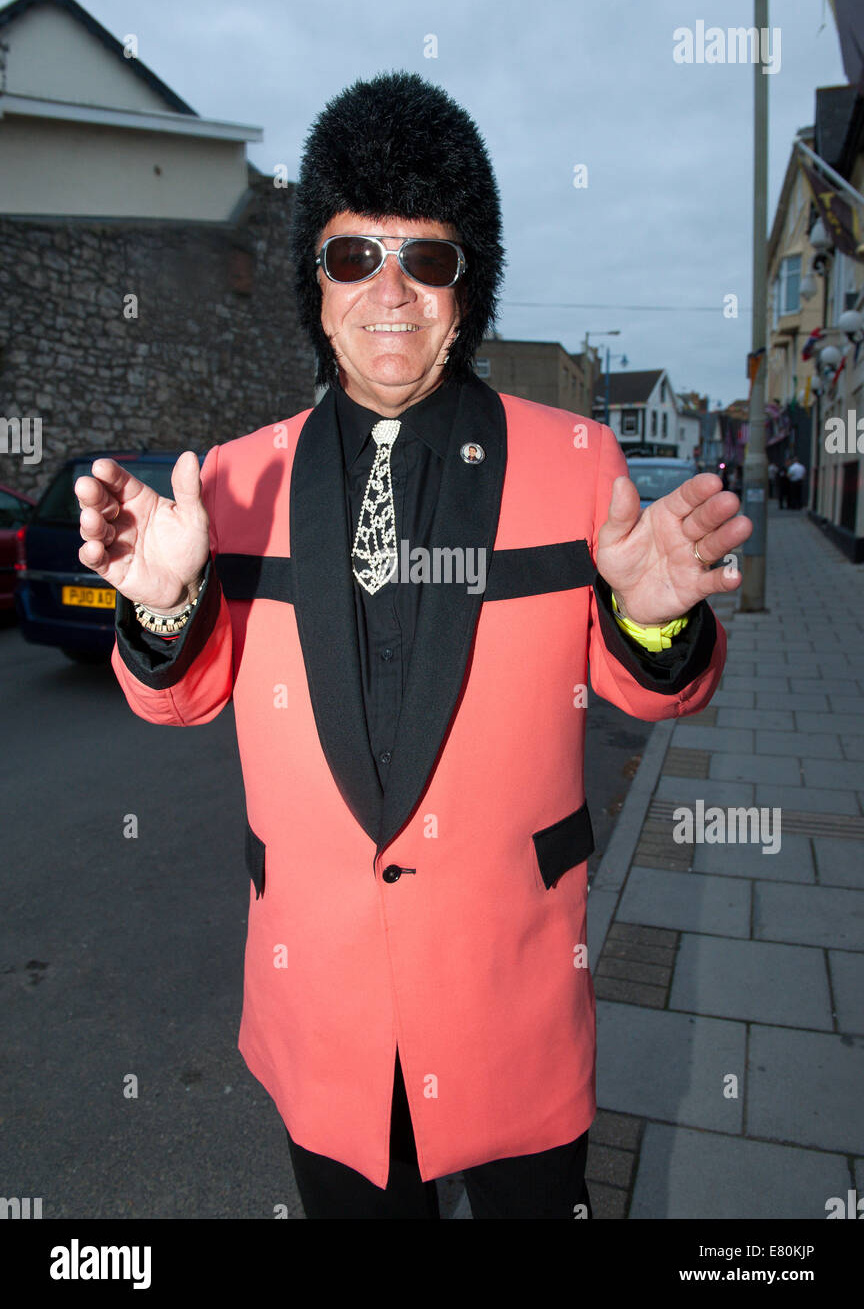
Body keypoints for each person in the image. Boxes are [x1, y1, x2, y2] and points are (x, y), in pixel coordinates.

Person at [74, 71, 751, 1220]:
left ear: (465, 283)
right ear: (313, 281)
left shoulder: (576, 462)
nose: (390, 290)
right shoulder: (236, 479)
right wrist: (159, 608)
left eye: (425, 259)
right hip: (322, 1014)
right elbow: (183, 697)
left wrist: (651, 617)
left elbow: (650, 691)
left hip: (511, 1003)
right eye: (353, 257)